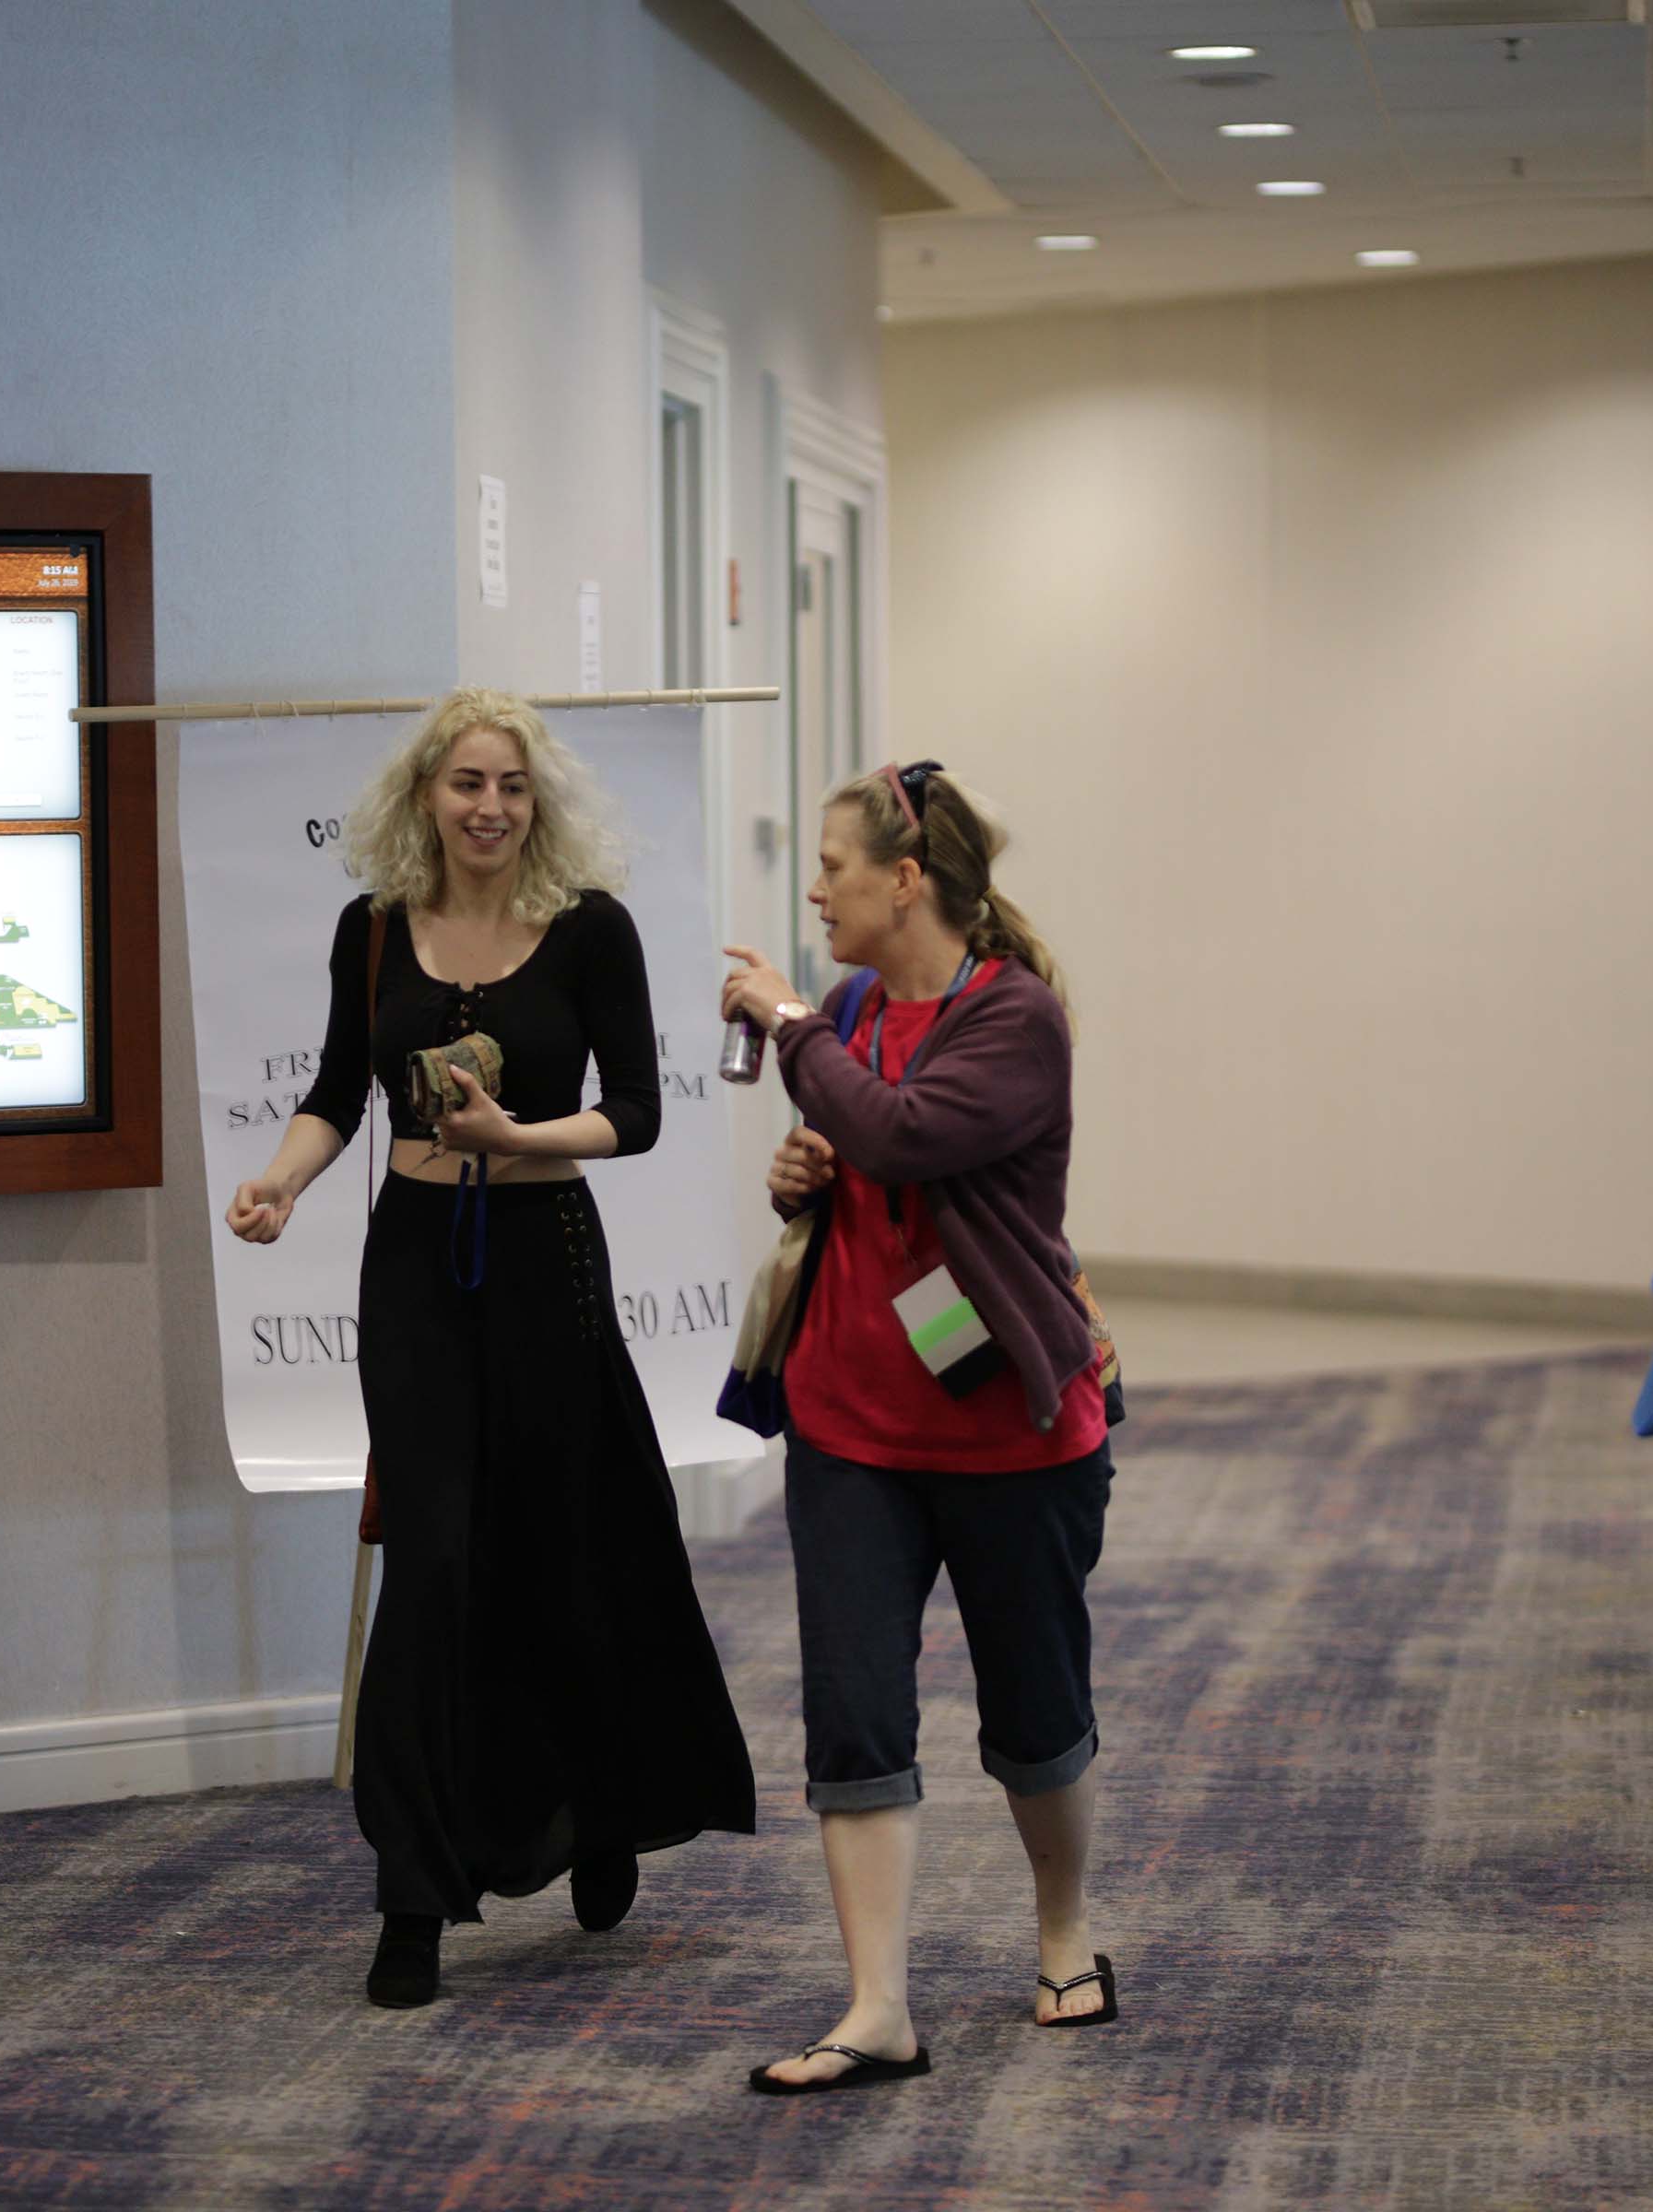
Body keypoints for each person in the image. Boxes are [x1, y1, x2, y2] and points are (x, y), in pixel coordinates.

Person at [226, 688, 754, 2008]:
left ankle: (598, 1809)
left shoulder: (593, 932)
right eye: (467, 783)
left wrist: (520, 1140)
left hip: (547, 1263)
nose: (490, 807)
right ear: (426, 797)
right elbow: (334, 1093)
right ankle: (414, 1890)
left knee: (564, 1549)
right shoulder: (371, 932)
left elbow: (632, 1113)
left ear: (539, 800)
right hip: (415, 1270)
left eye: (512, 786)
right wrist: (281, 1183)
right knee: (434, 1560)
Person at [717, 759, 1116, 2096]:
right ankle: (876, 2004)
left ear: (906, 880)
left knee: (1036, 1707)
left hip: (1008, 1427)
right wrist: (797, 1182)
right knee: (853, 1712)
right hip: (849, 1423)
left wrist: (783, 1028)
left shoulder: (1018, 1021)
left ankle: (1065, 1932)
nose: (817, 887)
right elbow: (856, 1160)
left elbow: (898, 1136)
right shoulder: (846, 1011)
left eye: (835, 864)